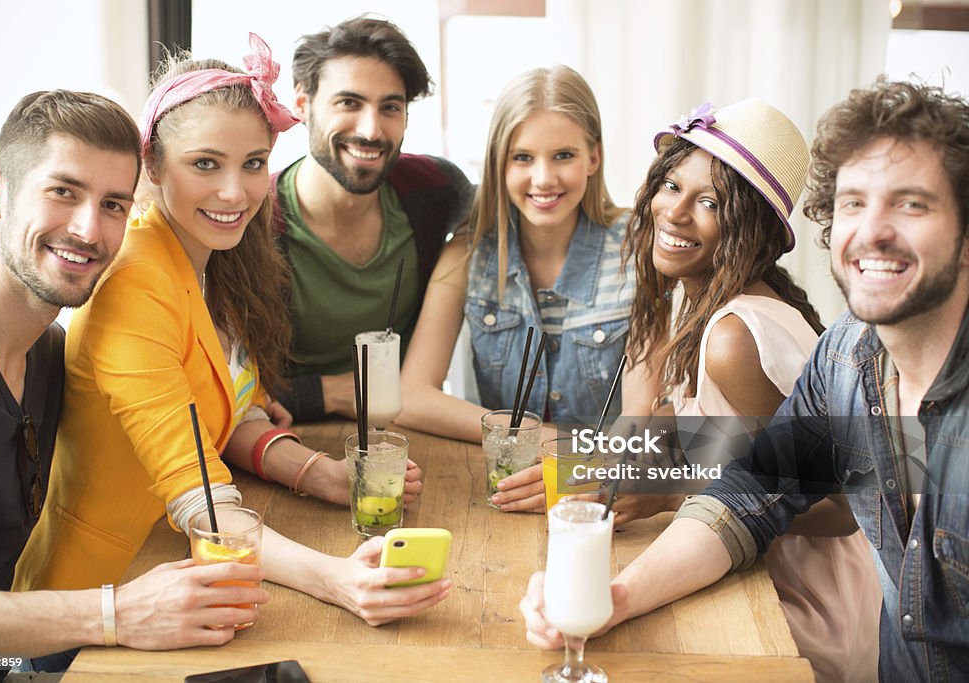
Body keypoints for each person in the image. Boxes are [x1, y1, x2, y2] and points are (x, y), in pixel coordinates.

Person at [522, 78, 969, 682]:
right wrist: (613, 596)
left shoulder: (740, 333)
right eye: (854, 202)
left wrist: (652, 474)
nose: (873, 231)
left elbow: (814, 503)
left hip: (803, 608)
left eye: (911, 203)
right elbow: (751, 488)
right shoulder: (846, 357)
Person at [14, 35, 449, 636]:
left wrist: (316, 470)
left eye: (252, 164)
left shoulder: (214, 259)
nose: (234, 191)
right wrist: (337, 579)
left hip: (183, 577)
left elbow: (224, 414)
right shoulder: (138, 281)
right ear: (154, 164)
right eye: (205, 164)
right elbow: (199, 498)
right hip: (98, 609)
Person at [0, 90, 269, 678]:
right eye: (63, 191)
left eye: (115, 204)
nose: (89, 229)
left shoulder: (46, 352)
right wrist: (115, 613)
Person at [396, 65, 633, 513]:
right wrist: (543, 439)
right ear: (499, 163)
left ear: (593, 158)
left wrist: (583, 467)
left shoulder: (638, 249)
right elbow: (412, 397)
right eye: (522, 157)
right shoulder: (467, 253)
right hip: (505, 495)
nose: (543, 178)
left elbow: (666, 430)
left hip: (609, 501)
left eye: (563, 155)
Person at [271, 15, 473, 423]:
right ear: (301, 102)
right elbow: (222, 385)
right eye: (349, 102)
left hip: (409, 434)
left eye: (390, 108)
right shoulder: (258, 221)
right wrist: (333, 392)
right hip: (290, 439)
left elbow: (512, 218)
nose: (371, 130)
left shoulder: (434, 188)